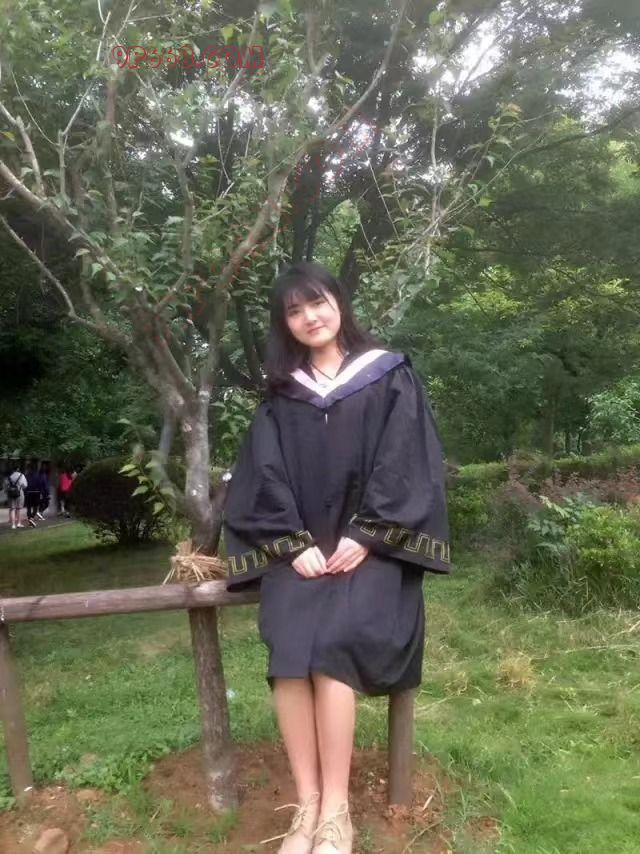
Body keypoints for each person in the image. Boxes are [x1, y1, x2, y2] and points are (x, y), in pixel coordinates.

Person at [222, 261, 450, 854]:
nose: (309, 317)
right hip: (303, 554)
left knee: (331, 645)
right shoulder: (281, 397)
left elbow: (405, 463)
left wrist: (368, 534)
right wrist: (292, 542)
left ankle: (336, 813)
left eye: (317, 302)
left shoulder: (389, 375)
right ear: (284, 323)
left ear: (339, 302)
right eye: (294, 311)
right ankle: (306, 807)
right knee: (289, 648)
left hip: (373, 553)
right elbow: (263, 476)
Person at [6, 464, 28, 530]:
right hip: (19, 493)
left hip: (11, 494)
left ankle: (13, 525)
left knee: (12, 509)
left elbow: (6, 486)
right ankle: (19, 523)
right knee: (19, 508)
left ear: (13, 469)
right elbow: (25, 485)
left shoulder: (10, 476)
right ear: (18, 469)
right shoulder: (22, 476)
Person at [24, 462, 41, 528]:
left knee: (29, 508)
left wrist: (25, 492)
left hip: (28, 493)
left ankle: (30, 519)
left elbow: (25, 485)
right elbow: (39, 484)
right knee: (35, 508)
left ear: (28, 468)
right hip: (36, 493)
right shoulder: (37, 475)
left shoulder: (26, 476)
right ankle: (31, 518)